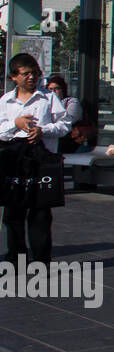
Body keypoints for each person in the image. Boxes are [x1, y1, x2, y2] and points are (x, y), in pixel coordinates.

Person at [0, 53, 70, 266]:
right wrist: (16, 123)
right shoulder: (6, 101)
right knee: (13, 210)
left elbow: (64, 126)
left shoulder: (48, 98)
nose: (31, 78)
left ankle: (41, 259)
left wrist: (44, 131)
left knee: (40, 211)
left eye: (34, 73)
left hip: (41, 159)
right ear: (14, 77)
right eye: (25, 74)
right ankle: (15, 258)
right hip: (15, 158)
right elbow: (1, 131)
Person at [45, 76, 84, 156]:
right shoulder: (44, 103)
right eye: (50, 89)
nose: (53, 92)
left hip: (67, 140)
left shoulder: (71, 102)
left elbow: (69, 120)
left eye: (57, 88)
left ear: (63, 89)